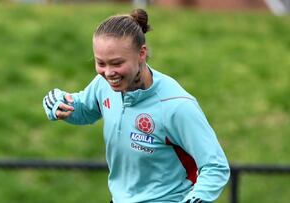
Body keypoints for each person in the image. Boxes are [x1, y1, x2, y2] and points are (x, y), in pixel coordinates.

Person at [43, 8, 230, 203]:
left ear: (142, 53)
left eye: (116, 63)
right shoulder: (104, 85)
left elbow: (215, 167)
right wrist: (59, 104)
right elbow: (84, 110)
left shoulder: (176, 106)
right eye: (101, 63)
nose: (108, 73)